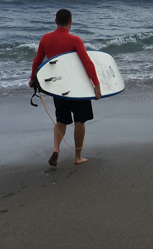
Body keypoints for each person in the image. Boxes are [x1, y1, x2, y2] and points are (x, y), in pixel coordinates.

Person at [30, 9, 102, 167]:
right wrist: (96, 84)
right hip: (77, 87)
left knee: (61, 120)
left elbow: (37, 61)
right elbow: (87, 63)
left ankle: (56, 148)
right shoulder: (75, 40)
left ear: (55, 21)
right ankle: (77, 156)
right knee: (80, 120)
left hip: (59, 87)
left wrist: (32, 79)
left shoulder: (46, 39)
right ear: (71, 22)